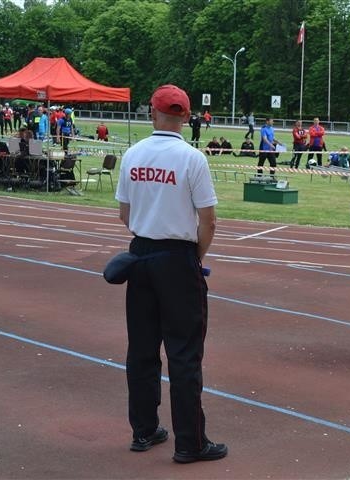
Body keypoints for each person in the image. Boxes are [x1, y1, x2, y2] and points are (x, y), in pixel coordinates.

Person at [114, 84, 226, 464]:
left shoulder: (133, 154)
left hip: (141, 255)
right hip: (178, 258)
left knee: (142, 349)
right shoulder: (192, 158)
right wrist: (193, 256)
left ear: (153, 113)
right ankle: (189, 442)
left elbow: (125, 215)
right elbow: (208, 220)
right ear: (186, 116)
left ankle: (144, 430)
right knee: (184, 352)